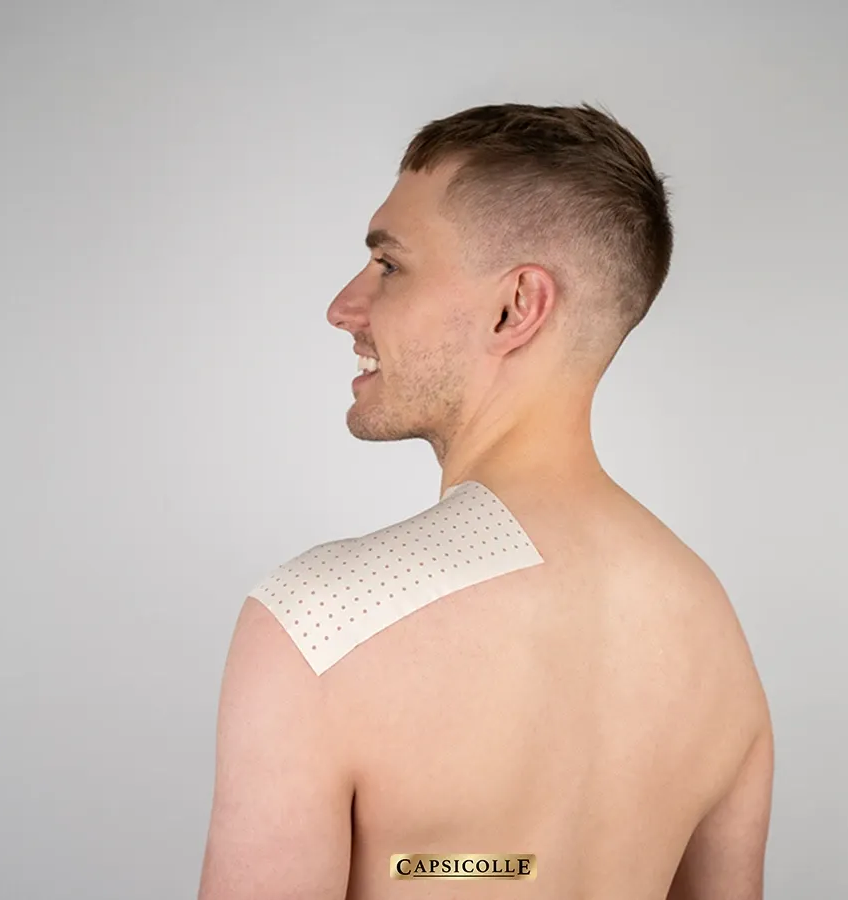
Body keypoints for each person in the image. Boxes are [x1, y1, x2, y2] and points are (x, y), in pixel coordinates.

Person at [198, 102, 772, 899]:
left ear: (516, 308)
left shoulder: (321, 622)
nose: (343, 308)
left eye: (389, 265)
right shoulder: (715, 637)